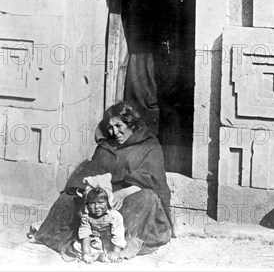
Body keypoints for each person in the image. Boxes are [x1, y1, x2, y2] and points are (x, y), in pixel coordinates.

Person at [32, 101, 172, 259]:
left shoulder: (149, 144)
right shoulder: (107, 146)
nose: (114, 132)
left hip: (130, 197)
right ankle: (91, 241)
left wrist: (123, 193)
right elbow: (92, 172)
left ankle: (109, 243)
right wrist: (91, 191)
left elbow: (154, 181)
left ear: (131, 123)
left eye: (119, 126)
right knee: (68, 198)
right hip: (103, 198)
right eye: (110, 128)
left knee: (148, 199)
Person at [76, 186, 126, 264]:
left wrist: (116, 252)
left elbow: (118, 234)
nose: (96, 207)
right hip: (96, 242)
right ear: (88, 204)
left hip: (111, 242)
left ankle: (107, 255)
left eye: (101, 202)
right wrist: (87, 253)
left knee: (125, 248)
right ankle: (100, 255)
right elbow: (85, 234)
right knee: (77, 246)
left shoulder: (114, 216)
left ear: (107, 203)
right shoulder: (86, 217)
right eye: (92, 203)